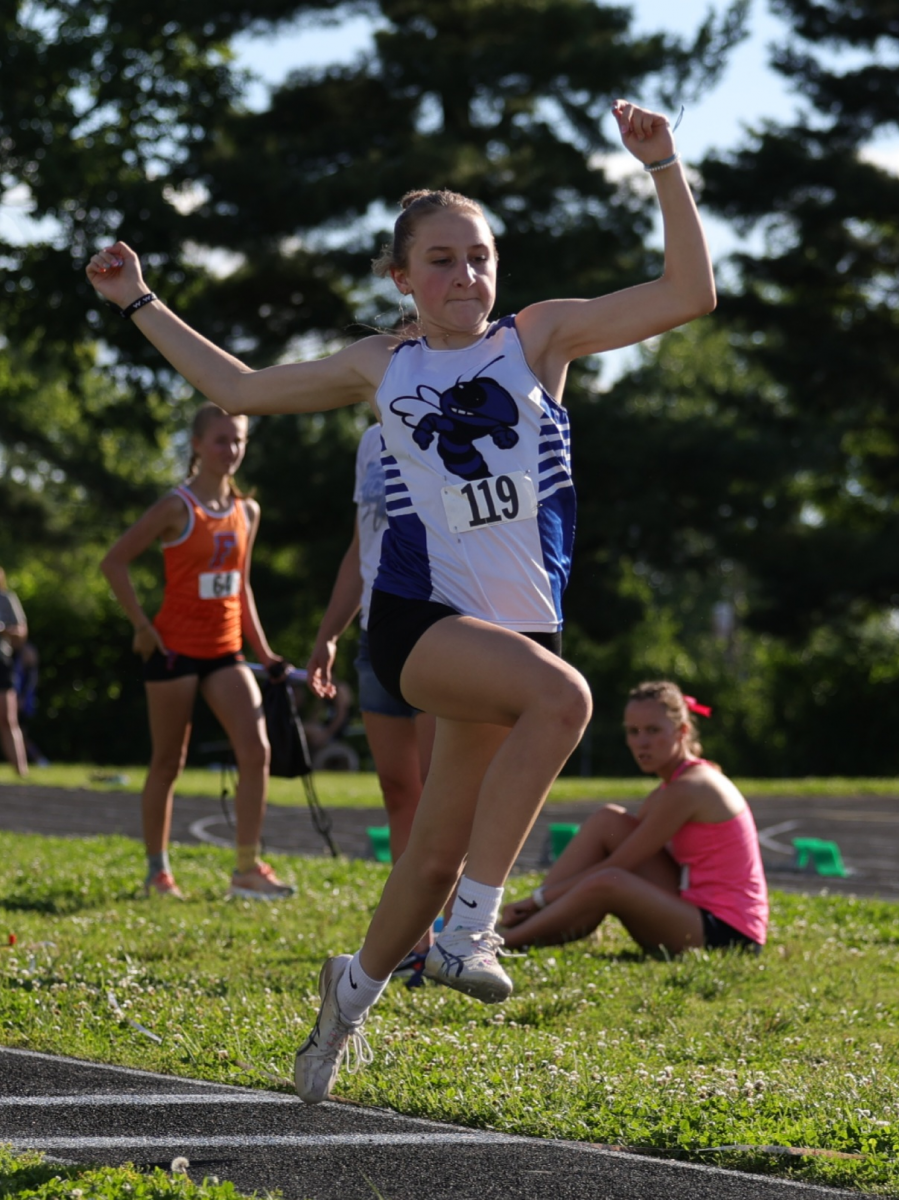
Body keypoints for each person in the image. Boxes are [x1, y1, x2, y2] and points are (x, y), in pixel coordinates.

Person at [85, 98, 716, 1103]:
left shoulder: (539, 337)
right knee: (565, 702)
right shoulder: (383, 365)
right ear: (398, 277)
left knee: (424, 859)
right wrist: (137, 301)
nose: (464, 276)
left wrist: (661, 164)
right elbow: (239, 388)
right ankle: (471, 931)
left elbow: (689, 292)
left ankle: (348, 997)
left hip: (515, 631)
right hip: (420, 625)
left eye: (477, 258)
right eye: (439, 259)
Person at [100, 402, 295, 902]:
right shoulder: (176, 506)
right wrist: (142, 626)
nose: (231, 450)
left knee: (257, 752)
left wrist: (265, 652)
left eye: (238, 440)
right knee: (169, 762)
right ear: (197, 445)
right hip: (173, 651)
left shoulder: (245, 511)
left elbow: (241, 588)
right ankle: (157, 873)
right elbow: (114, 561)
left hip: (225, 652)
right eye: (221, 440)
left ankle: (247, 869)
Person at [500, 681, 769, 955]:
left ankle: (503, 942)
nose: (642, 742)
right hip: (693, 908)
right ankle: (523, 923)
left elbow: (620, 864)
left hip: (729, 936)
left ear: (681, 732)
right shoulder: (670, 788)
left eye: (653, 730)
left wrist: (538, 899)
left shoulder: (690, 788)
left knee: (609, 881)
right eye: (633, 731)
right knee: (608, 820)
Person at [306, 421, 438, 974]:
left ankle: (460, 936)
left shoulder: (452, 426)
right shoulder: (369, 440)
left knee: (443, 792)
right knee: (399, 791)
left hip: (440, 624)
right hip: (375, 634)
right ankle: (417, 940)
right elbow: (362, 545)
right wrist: (327, 635)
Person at [0, 568, 29, 777]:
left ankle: (22, 772)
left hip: (1, 660)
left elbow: (21, 633)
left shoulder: (6, 599)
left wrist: (5, 630)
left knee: (7, 718)